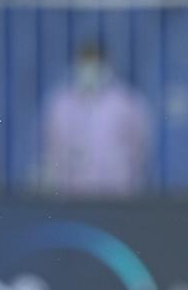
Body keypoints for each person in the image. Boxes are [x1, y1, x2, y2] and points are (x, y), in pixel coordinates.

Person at [41, 40, 152, 197]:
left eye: (95, 63)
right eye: (85, 62)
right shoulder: (61, 104)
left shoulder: (127, 102)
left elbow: (140, 147)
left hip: (117, 193)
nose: (89, 69)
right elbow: (53, 148)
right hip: (72, 194)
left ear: (106, 65)